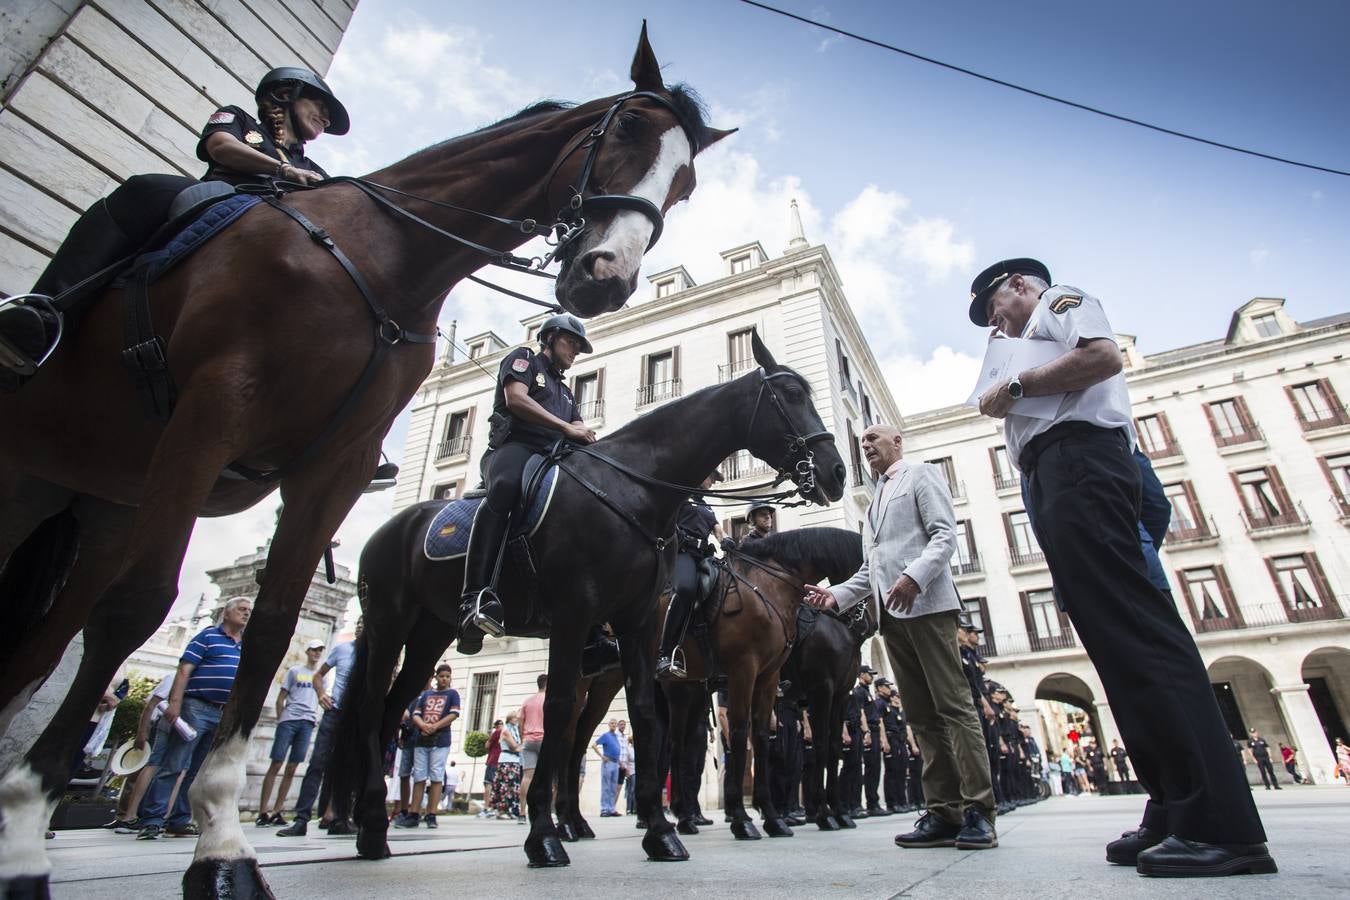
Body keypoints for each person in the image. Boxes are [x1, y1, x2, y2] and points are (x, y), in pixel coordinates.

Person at [968, 257, 1273, 876]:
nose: (993, 323)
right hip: (1054, 474)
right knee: (1116, 649)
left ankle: (1221, 825)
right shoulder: (1026, 334)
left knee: (1141, 635)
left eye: (995, 308)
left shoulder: (1059, 303)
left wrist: (1017, 388)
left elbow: (1103, 356)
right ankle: (1172, 805)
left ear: (1020, 286)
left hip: (1081, 460)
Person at [1, 67, 347, 380]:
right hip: (223, 197)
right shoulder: (239, 119)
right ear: (287, 94)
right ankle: (43, 311)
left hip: (276, 228)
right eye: (321, 106)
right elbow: (221, 147)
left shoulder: (315, 168)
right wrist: (283, 170)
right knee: (145, 189)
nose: (326, 119)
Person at [805, 423, 996, 851]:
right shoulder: (873, 504)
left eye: (874, 437)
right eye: (863, 441)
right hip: (890, 618)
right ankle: (944, 811)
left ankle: (980, 811)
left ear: (898, 442)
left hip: (928, 607)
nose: (866, 444)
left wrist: (914, 577)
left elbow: (945, 536)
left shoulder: (920, 475)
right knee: (923, 716)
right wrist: (833, 595)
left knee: (954, 706)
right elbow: (871, 570)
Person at [457, 314, 616, 674]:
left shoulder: (566, 392)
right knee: (506, 489)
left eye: (579, 347)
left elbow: (577, 428)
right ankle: (474, 599)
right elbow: (516, 399)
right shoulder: (524, 360)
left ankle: (591, 635)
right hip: (514, 450)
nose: (576, 351)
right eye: (571, 343)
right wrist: (565, 427)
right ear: (550, 337)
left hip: (551, 460)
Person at [137, 597, 251, 840]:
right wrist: (176, 704)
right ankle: (152, 819)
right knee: (175, 764)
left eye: (249, 611)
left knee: (198, 770)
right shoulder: (207, 637)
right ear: (226, 613)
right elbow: (184, 670)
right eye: (242, 610)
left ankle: (179, 819)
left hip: (221, 712)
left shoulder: (243, 645)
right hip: (195, 707)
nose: (247, 614)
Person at [278, 616, 363, 836]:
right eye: (358, 624)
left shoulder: (376, 652)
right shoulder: (342, 649)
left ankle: (339, 816)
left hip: (356, 717)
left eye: (365, 624)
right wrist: (321, 694)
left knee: (348, 768)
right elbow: (318, 676)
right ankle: (301, 819)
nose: (361, 627)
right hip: (334, 713)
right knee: (317, 763)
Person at [657, 472, 727, 679]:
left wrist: (728, 541)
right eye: (711, 477)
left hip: (704, 557)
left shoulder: (707, 506)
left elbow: (718, 530)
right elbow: (664, 522)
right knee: (686, 589)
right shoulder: (679, 497)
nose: (713, 481)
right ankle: (665, 653)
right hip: (683, 553)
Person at [255, 640, 324, 826]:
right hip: (289, 719)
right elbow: (281, 698)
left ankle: (277, 810)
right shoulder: (294, 671)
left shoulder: (321, 676)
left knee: (292, 767)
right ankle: (263, 811)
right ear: (307, 651)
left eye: (320, 650)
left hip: (307, 721)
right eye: (314, 650)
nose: (317, 653)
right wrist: (281, 718)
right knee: (276, 763)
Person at [403, 664, 460, 829]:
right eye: (441, 676)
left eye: (447, 676)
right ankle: (414, 813)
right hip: (421, 740)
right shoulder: (426, 695)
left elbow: (454, 714)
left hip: (440, 741)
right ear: (436, 677)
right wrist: (423, 726)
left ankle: (431, 813)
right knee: (419, 776)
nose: (444, 679)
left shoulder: (452, 694)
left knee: (436, 776)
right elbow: (416, 714)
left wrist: (435, 727)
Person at [518, 674, 547, 822]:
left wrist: (523, 737)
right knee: (545, 777)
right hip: (544, 740)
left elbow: (520, 722)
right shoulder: (548, 699)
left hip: (528, 741)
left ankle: (522, 812)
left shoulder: (527, 701)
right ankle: (542, 811)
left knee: (527, 777)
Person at [490, 713, 523, 819]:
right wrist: (525, 745)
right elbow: (514, 746)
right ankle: (501, 810)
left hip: (515, 760)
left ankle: (509, 810)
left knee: (513, 787)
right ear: (510, 719)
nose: (517, 720)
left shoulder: (515, 730)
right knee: (505, 786)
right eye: (515, 718)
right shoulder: (506, 731)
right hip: (507, 760)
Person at [593, 719, 623, 817]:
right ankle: (604, 809)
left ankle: (611, 808)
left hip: (615, 763)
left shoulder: (616, 737)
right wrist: (601, 756)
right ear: (609, 725)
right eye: (612, 723)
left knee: (613, 787)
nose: (613, 725)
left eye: (615, 723)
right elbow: (594, 745)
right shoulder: (606, 736)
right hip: (608, 762)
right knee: (606, 787)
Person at [479, 719, 504, 817]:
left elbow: (487, 745)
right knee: (499, 785)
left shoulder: (496, 733)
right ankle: (496, 807)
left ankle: (486, 807)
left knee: (488, 783)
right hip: (502, 761)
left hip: (493, 760)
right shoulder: (508, 732)